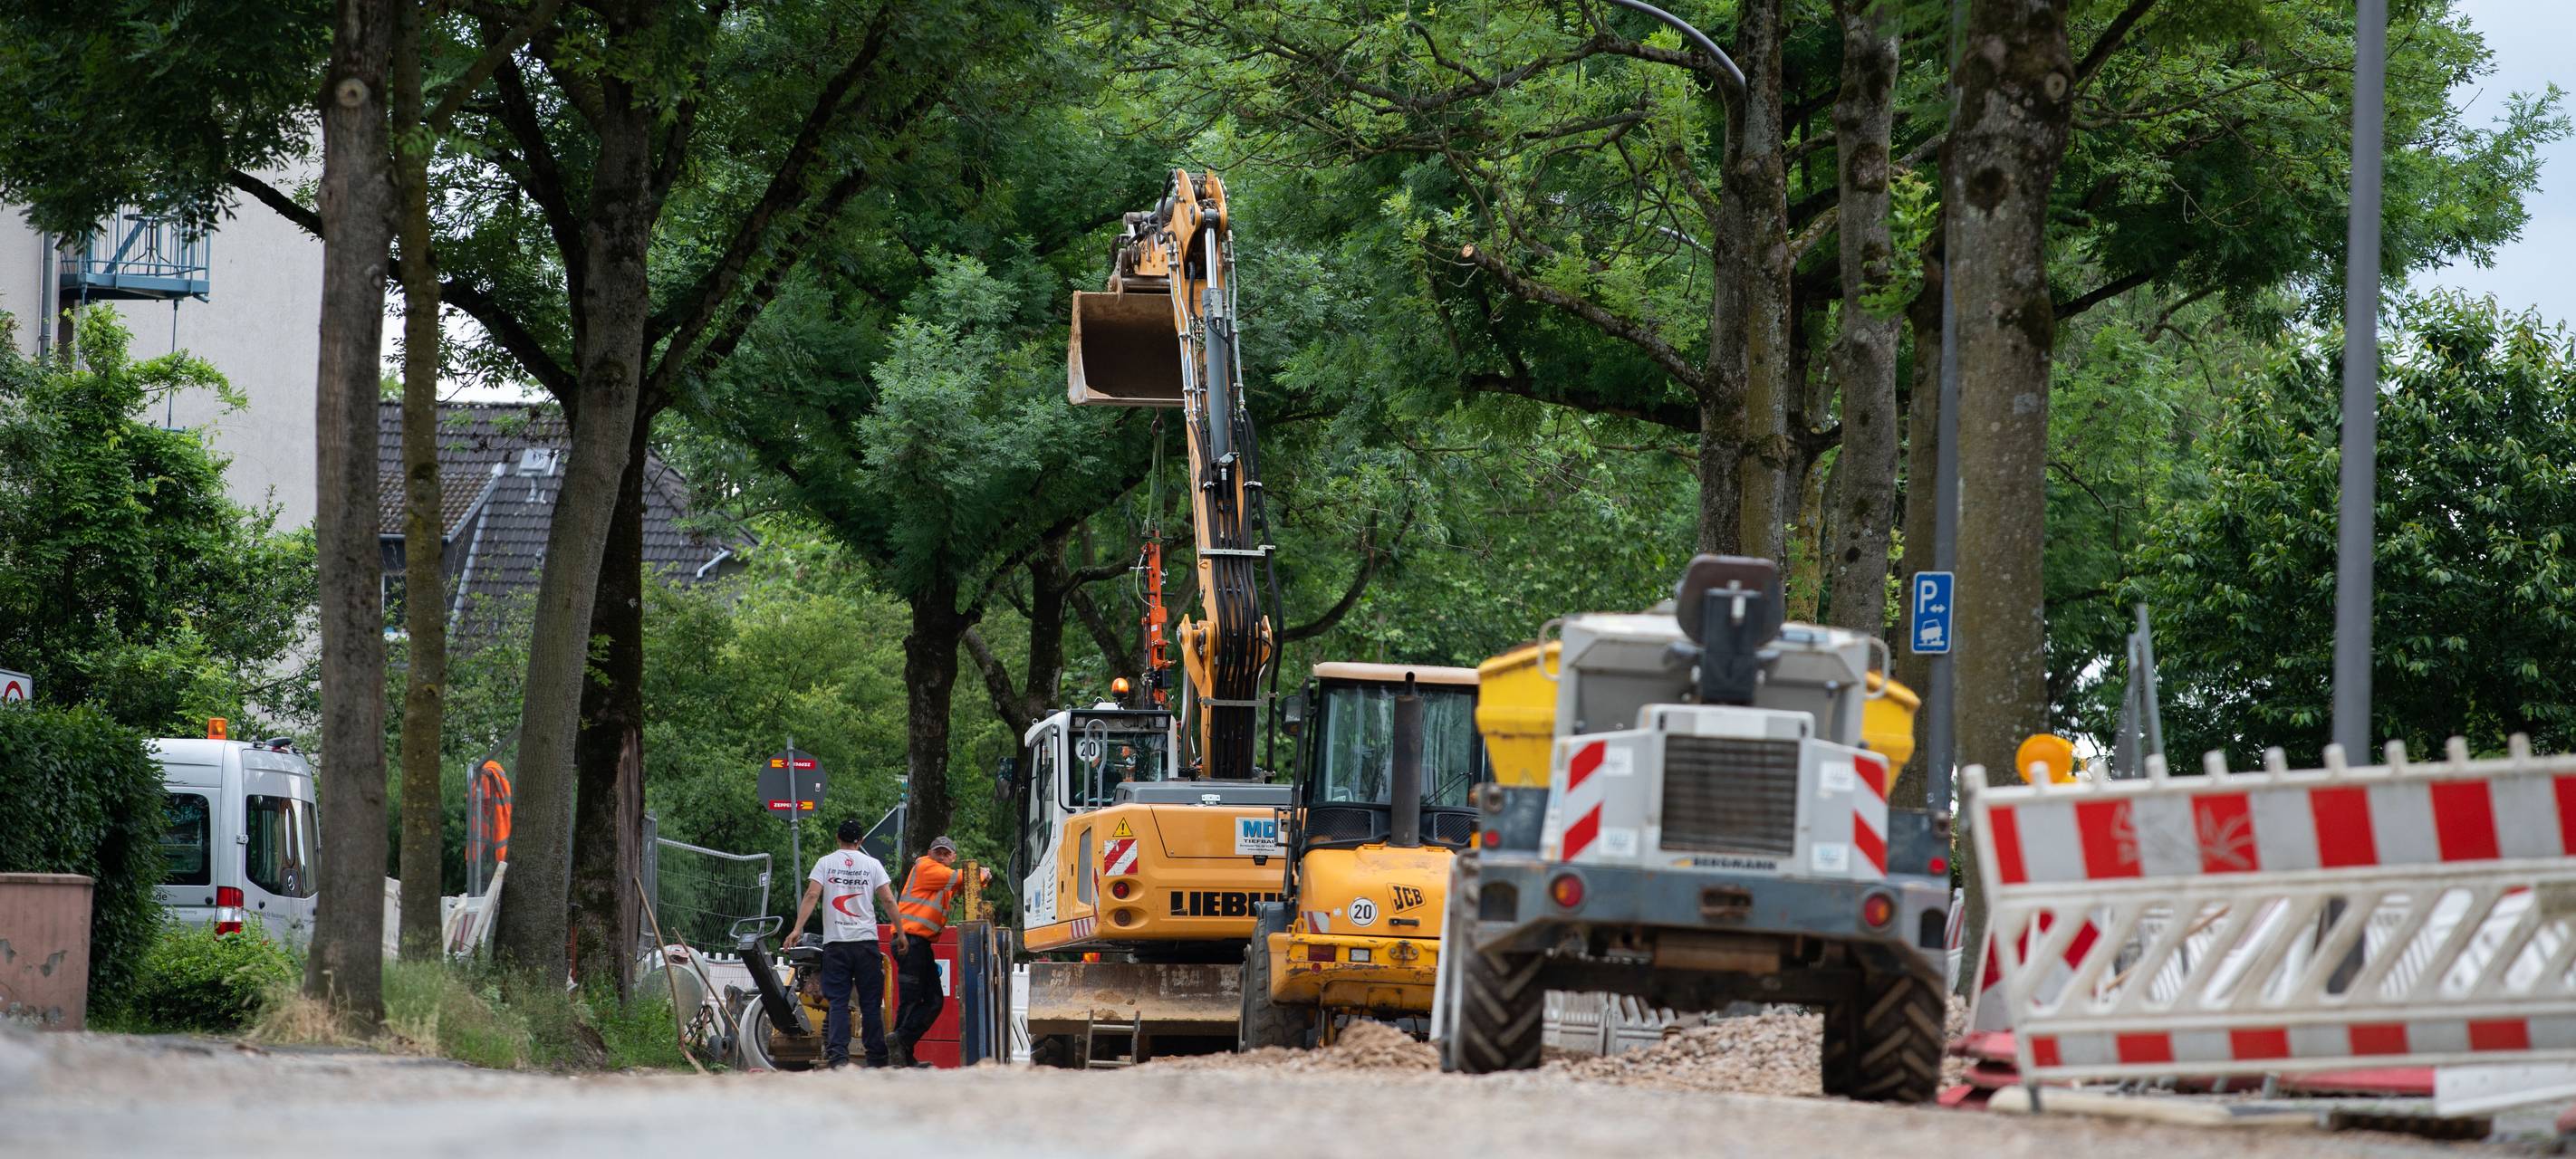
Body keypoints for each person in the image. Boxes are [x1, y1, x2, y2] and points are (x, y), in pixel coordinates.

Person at [783, 819, 900, 1068]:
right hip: (866, 943)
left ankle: (838, 1058)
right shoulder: (872, 865)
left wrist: (797, 929)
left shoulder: (825, 863)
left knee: (837, 1002)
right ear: (862, 841)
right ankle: (877, 1060)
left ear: (837, 838)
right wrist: (900, 932)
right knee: (870, 1002)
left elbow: (812, 894)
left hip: (836, 944)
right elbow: (889, 901)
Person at [889, 836, 990, 1068]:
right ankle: (899, 1051)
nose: (942, 856)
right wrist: (982, 874)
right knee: (912, 1000)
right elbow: (965, 878)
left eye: (946, 853)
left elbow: (966, 884)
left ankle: (901, 1045)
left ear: (953, 857)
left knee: (933, 1001)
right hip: (909, 941)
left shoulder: (943, 879)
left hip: (919, 943)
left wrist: (980, 879)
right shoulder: (926, 867)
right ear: (930, 852)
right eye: (939, 852)